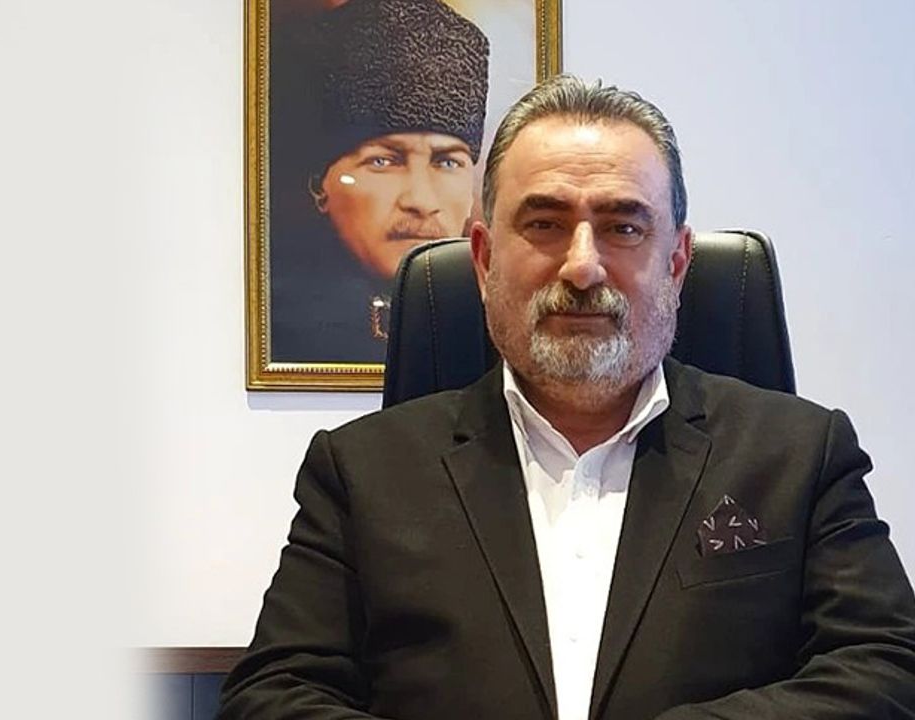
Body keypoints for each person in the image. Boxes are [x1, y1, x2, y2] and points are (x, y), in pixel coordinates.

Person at [220, 75, 915, 719]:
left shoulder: (799, 455)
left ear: (676, 263)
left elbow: (888, 668)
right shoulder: (362, 472)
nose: (583, 266)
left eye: (623, 227)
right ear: (484, 260)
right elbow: (272, 695)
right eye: (545, 224)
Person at [268, 0, 488, 364]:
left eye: (447, 162)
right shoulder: (290, 326)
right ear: (318, 183)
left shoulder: (497, 337)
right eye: (384, 161)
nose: (421, 200)